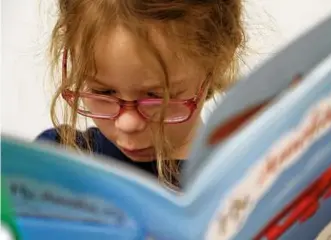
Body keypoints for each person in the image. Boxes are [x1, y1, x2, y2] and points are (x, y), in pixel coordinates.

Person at [36, 0, 246, 190]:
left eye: (156, 96)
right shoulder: (53, 159)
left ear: (218, 62)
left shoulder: (242, 182)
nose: (127, 123)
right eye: (103, 91)